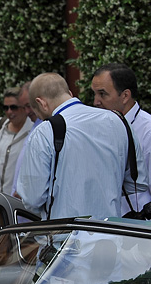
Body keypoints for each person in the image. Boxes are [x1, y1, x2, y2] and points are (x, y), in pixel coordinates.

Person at [16, 72, 148, 219]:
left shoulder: (44, 132)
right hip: (110, 234)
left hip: (64, 237)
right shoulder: (119, 121)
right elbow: (138, 183)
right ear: (70, 93)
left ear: (41, 103)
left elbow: (32, 199)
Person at [91, 63, 151, 213]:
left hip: (138, 230)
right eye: (95, 94)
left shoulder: (147, 130)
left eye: (102, 94)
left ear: (125, 96)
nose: (95, 102)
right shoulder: (99, 128)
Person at [0, 86, 33, 195]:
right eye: (6, 108)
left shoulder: (33, 132)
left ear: (24, 108)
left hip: (18, 200)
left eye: (14, 107)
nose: (9, 112)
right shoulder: (0, 125)